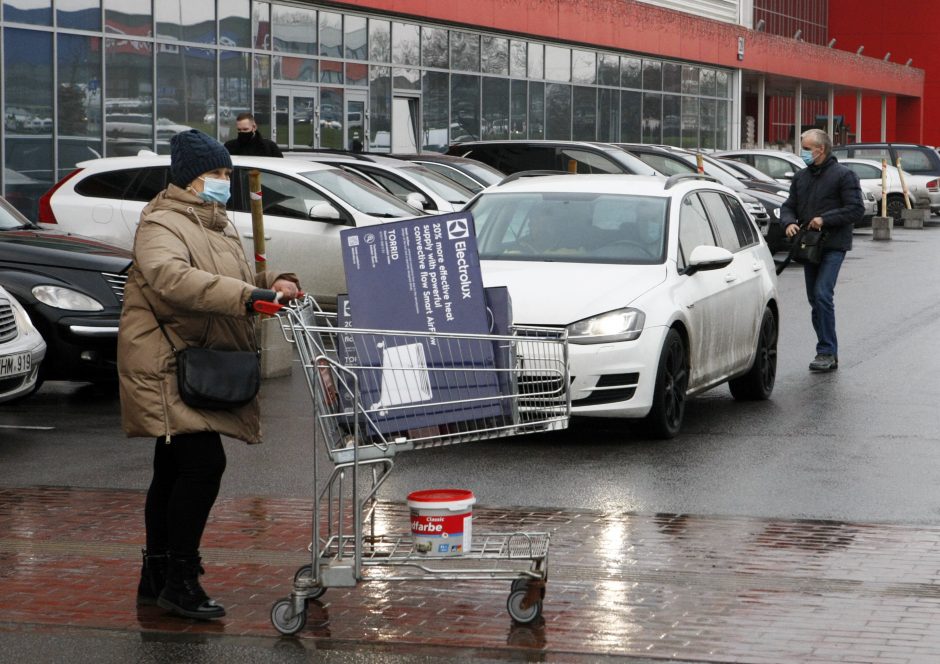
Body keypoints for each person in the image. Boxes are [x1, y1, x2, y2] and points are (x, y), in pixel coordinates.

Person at [118, 129, 300, 620]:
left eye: (226, 173)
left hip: (193, 356)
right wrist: (245, 298)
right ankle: (180, 577)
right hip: (168, 361)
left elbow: (232, 278)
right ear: (191, 178)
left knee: (173, 468)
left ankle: (156, 573)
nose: (225, 181)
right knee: (202, 466)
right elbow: (171, 278)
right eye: (217, 173)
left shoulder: (213, 222)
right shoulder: (162, 223)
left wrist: (269, 284)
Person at [780, 128, 864, 372]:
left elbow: (855, 209)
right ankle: (827, 350)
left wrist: (824, 219)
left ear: (821, 150)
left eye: (806, 149)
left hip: (833, 245)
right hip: (809, 247)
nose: (803, 153)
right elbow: (788, 206)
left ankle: (826, 351)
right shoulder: (801, 177)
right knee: (814, 299)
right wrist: (789, 223)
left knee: (822, 294)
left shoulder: (844, 176)